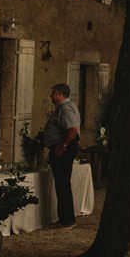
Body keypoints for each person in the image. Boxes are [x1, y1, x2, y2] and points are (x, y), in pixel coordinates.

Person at [42, 83, 81, 229]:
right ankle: (64, 217)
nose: (51, 96)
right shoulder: (63, 108)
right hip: (62, 147)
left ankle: (68, 220)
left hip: (63, 149)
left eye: (53, 93)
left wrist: (63, 146)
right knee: (61, 183)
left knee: (63, 183)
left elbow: (72, 130)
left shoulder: (66, 108)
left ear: (60, 94)